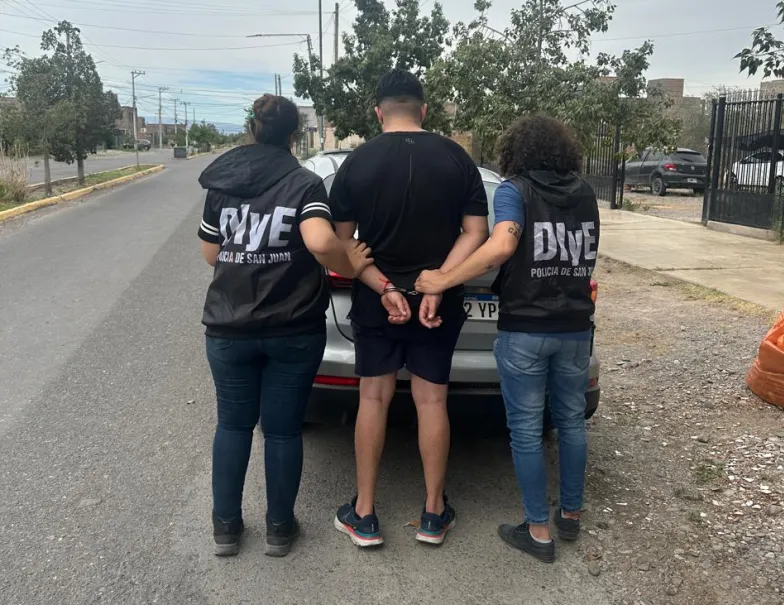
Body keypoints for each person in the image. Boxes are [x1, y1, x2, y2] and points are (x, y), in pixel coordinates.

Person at [416, 115, 600, 563]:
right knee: (572, 422)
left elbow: (501, 246)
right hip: (576, 327)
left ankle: (537, 531)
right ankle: (570, 515)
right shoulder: (585, 191)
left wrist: (442, 279)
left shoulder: (515, 191)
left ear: (515, 153)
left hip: (527, 329)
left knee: (526, 430)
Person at [197, 94, 373, 558]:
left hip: (229, 326)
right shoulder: (303, 183)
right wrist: (350, 262)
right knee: (281, 430)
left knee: (233, 425)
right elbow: (320, 241)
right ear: (294, 136)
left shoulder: (223, 182)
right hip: (292, 328)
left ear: (253, 128)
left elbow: (211, 254)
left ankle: (226, 528)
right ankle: (279, 528)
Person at [329, 69, 490, 547]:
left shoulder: (356, 162)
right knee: (432, 401)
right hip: (437, 303)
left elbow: (343, 245)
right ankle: (433, 514)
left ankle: (364, 515)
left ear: (378, 113)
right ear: (424, 109)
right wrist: (439, 282)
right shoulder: (457, 158)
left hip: (376, 300)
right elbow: (476, 232)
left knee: (373, 399)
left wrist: (383, 287)